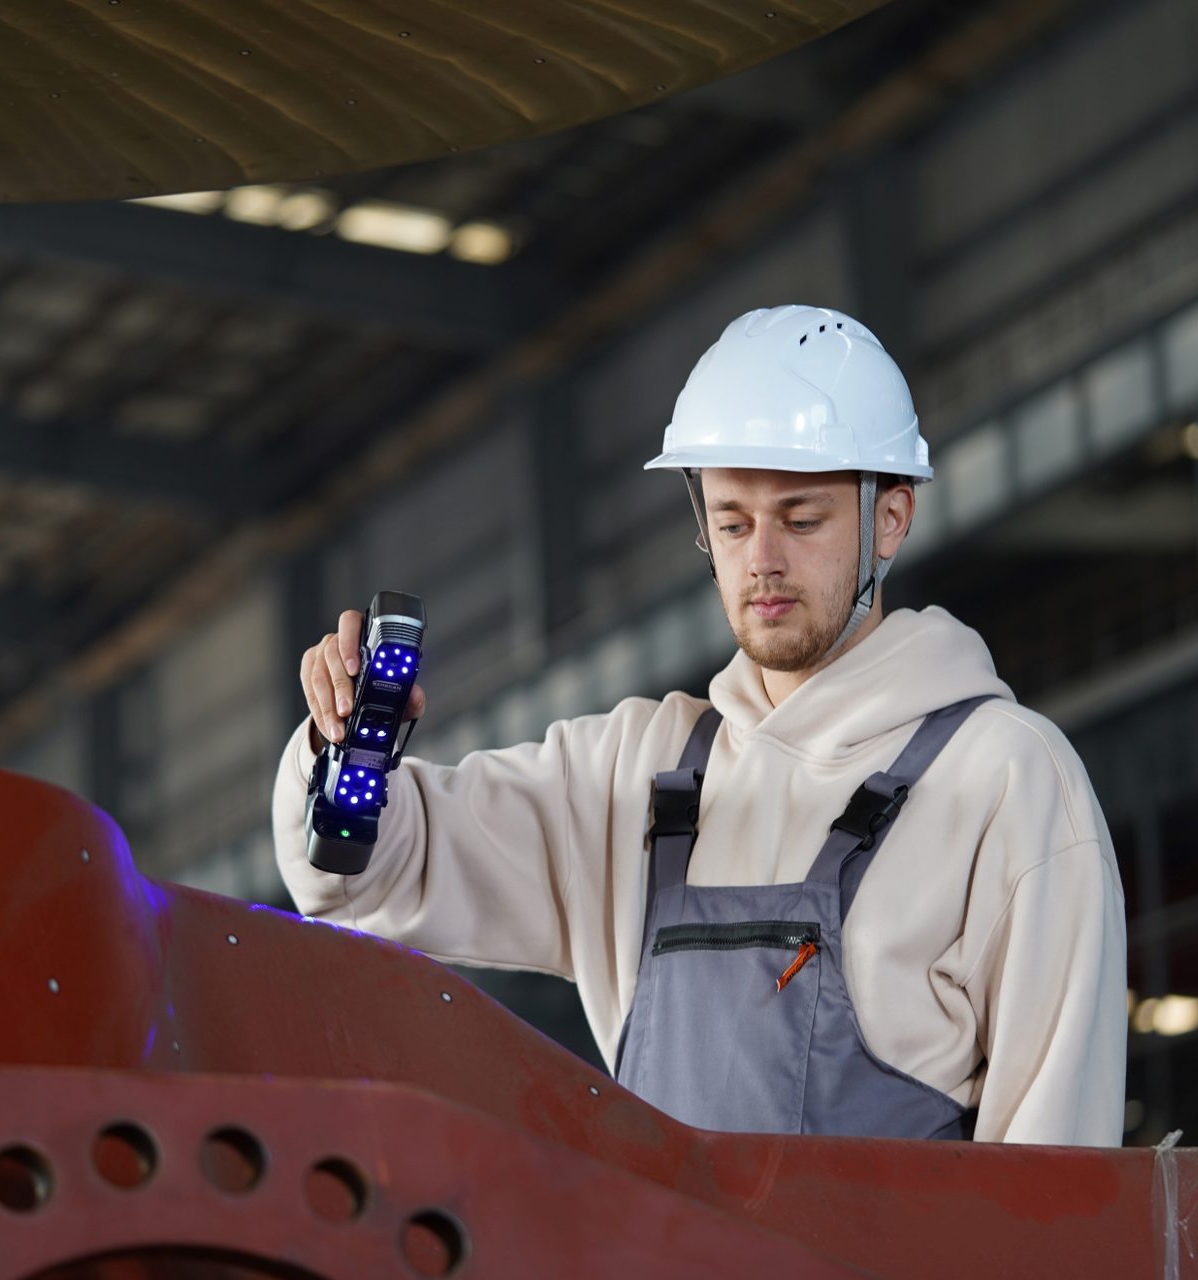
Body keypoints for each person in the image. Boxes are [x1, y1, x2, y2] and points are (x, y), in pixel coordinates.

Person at [273, 304, 1128, 1145]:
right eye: (731, 522)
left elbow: (1061, 1176)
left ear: (890, 520)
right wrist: (344, 745)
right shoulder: (629, 777)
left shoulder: (1004, 780)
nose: (762, 560)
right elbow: (366, 880)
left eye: (801, 520)